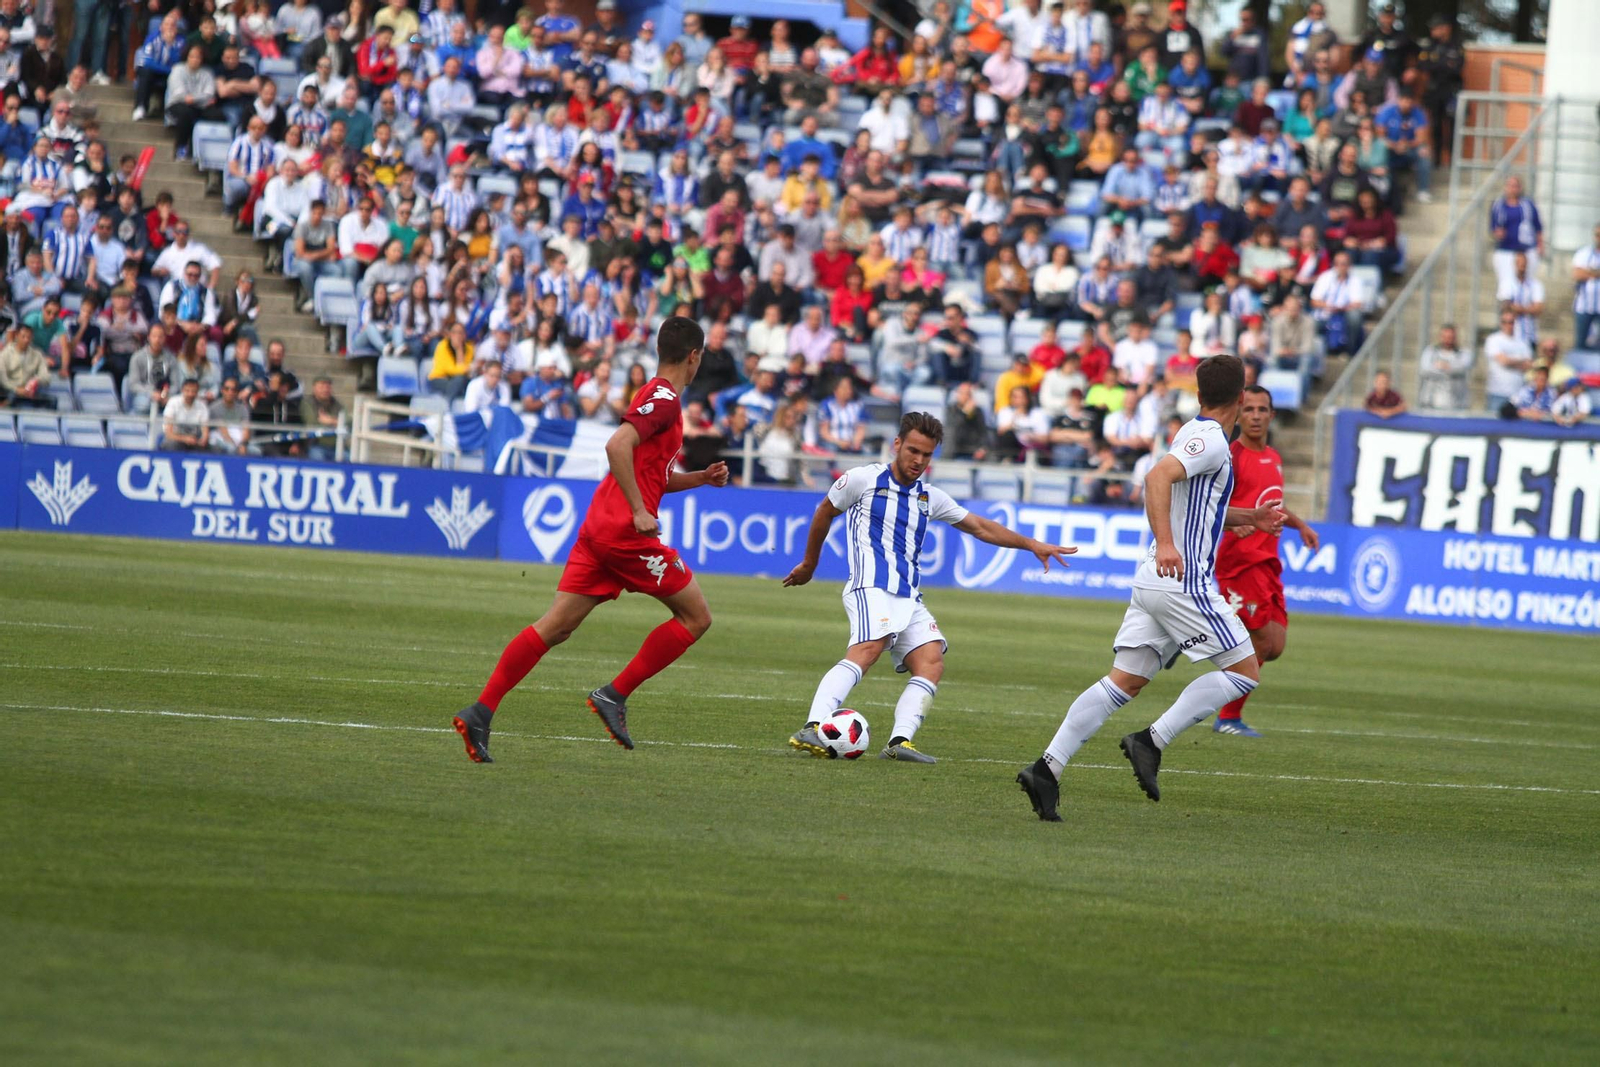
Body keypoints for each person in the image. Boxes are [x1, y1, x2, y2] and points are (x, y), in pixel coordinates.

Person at [1016, 355, 1285, 819]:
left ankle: (1047, 768)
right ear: (1242, 400)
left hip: (1154, 581)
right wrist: (1166, 544)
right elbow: (1156, 477)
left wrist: (1251, 517)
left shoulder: (1191, 432)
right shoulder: (1214, 442)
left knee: (1124, 681)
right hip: (1182, 580)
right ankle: (1150, 740)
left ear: (1199, 396)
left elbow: (1198, 503)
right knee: (1244, 671)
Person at [450, 319, 731, 763]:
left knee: (555, 626)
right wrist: (640, 511)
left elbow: (650, 472)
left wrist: (699, 478)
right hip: (624, 534)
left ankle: (481, 711)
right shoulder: (664, 401)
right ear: (694, 356)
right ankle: (613, 695)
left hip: (599, 528)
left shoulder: (654, 394)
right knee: (697, 617)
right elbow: (617, 445)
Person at [783, 412, 1076, 764]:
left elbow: (980, 527)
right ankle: (813, 725)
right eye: (913, 451)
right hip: (870, 586)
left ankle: (899, 743)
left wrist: (1032, 544)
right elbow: (824, 512)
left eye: (927, 454)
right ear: (897, 444)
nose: (918, 461)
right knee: (869, 648)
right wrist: (810, 563)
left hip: (908, 595)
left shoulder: (929, 497)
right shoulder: (863, 479)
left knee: (932, 660)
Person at [1210, 387, 1319, 737]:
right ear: (1239, 414)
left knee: (1275, 647)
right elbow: (1209, 506)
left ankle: (1196, 636)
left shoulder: (1273, 457)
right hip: (1239, 562)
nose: (1256, 415)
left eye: (1263, 409)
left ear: (1273, 415)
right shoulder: (1231, 457)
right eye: (1250, 409)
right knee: (1259, 642)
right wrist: (1235, 525)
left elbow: (1273, 504)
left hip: (1268, 561)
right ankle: (1227, 718)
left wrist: (1300, 524)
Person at [1484, 310, 1533, 413]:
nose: (1508, 325)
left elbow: (1528, 365)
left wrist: (1509, 361)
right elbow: (1503, 361)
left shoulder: (1522, 342)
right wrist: (1520, 361)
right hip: (1497, 392)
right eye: (1504, 322)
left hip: (1518, 393)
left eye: (1511, 322)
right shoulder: (1494, 339)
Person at [1417, 324, 1472, 411]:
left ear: (1455, 338)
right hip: (1431, 402)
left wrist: (1441, 366)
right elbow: (1424, 370)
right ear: (1440, 337)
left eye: (1450, 337)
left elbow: (1462, 368)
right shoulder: (1430, 351)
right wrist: (1448, 369)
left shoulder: (1464, 353)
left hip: (1456, 403)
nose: (1447, 340)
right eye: (1445, 337)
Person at [1570, 222, 1600, 351]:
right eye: (1597, 235)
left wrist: (1589, 272)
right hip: (1583, 307)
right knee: (1580, 343)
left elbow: (1583, 272)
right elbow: (1577, 274)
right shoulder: (1584, 253)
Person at [161, 377, 210, 450]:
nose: (190, 394)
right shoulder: (173, 403)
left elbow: (205, 432)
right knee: (172, 445)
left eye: (193, 391)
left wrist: (203, 441)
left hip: (194, 440)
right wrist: (185, 439)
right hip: (175, 439)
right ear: (182, 390)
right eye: (187, 391)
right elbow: (168, 433)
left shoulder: (202, 406)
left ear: (197, 392)